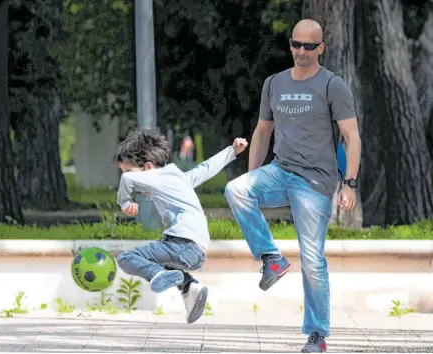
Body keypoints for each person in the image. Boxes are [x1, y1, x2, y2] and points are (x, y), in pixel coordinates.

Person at [224, 19, 361, 353]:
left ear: (321, 48)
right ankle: (271, 258)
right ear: (290, 45)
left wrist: (350, 184)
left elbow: (351, 137)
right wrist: (251, 176)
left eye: (309, 46)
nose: (302, 52)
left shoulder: (332, 85)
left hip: (315, 181)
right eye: (296, 45)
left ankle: (317, 335)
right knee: (237, 189)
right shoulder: (274, 83)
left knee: (312, 260)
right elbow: (262, 131)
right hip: (279, 170)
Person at [114, 129, 248, 324]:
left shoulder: (153, 176)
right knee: (158, 259)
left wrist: (125, 202)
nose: (127, 177)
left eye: (128, 170)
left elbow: (127, 180)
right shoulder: (180, 177)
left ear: (148, 167)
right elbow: (206, 168)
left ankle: (158, 275)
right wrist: (232, 151)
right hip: (197, 251)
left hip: (181, 244)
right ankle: (189, 286)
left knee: (128, 258)